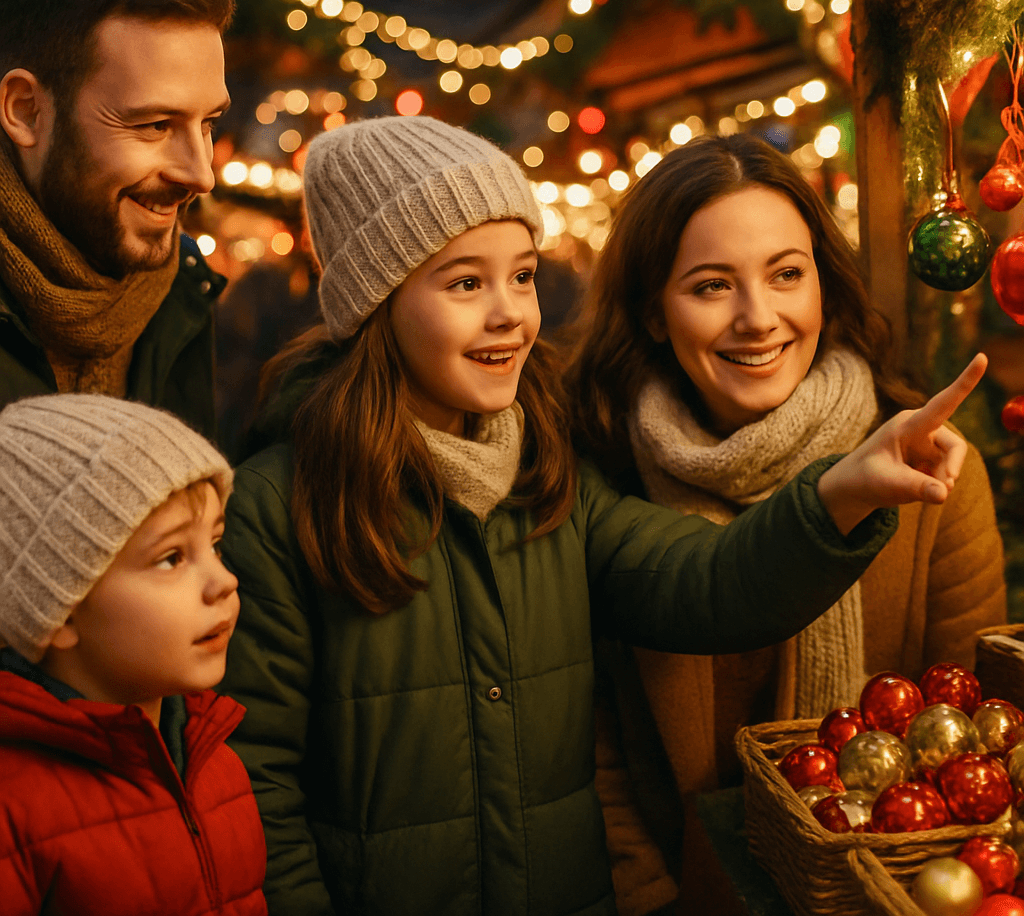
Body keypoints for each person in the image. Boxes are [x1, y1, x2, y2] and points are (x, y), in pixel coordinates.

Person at [218, 115, 987, 916]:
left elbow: (707, 580)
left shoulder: (546, 475)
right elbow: (256, 785)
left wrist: (841, 493)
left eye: (521, 276)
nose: (511, 313)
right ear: (375, 303)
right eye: (465, 283)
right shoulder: (283, 506)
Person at [565, 132, 1006, 916]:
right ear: (654, 314)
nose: (757, 319)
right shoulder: (602, 481)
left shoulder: (929, 473)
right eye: (710, 287)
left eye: (786, 275)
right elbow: (593, 760)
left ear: (825, 290)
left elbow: (972, 749)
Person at [0, 393, 267, 916]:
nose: (224, 581)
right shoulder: (14, 810)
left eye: (214, 544)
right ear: (63, 610)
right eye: (171, 558)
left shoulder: (216, 762)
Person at [0, 0, 234, 439]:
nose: (201, 174)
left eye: (209, 123)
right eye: (154, 125)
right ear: (26, 111)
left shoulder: (182, 289)